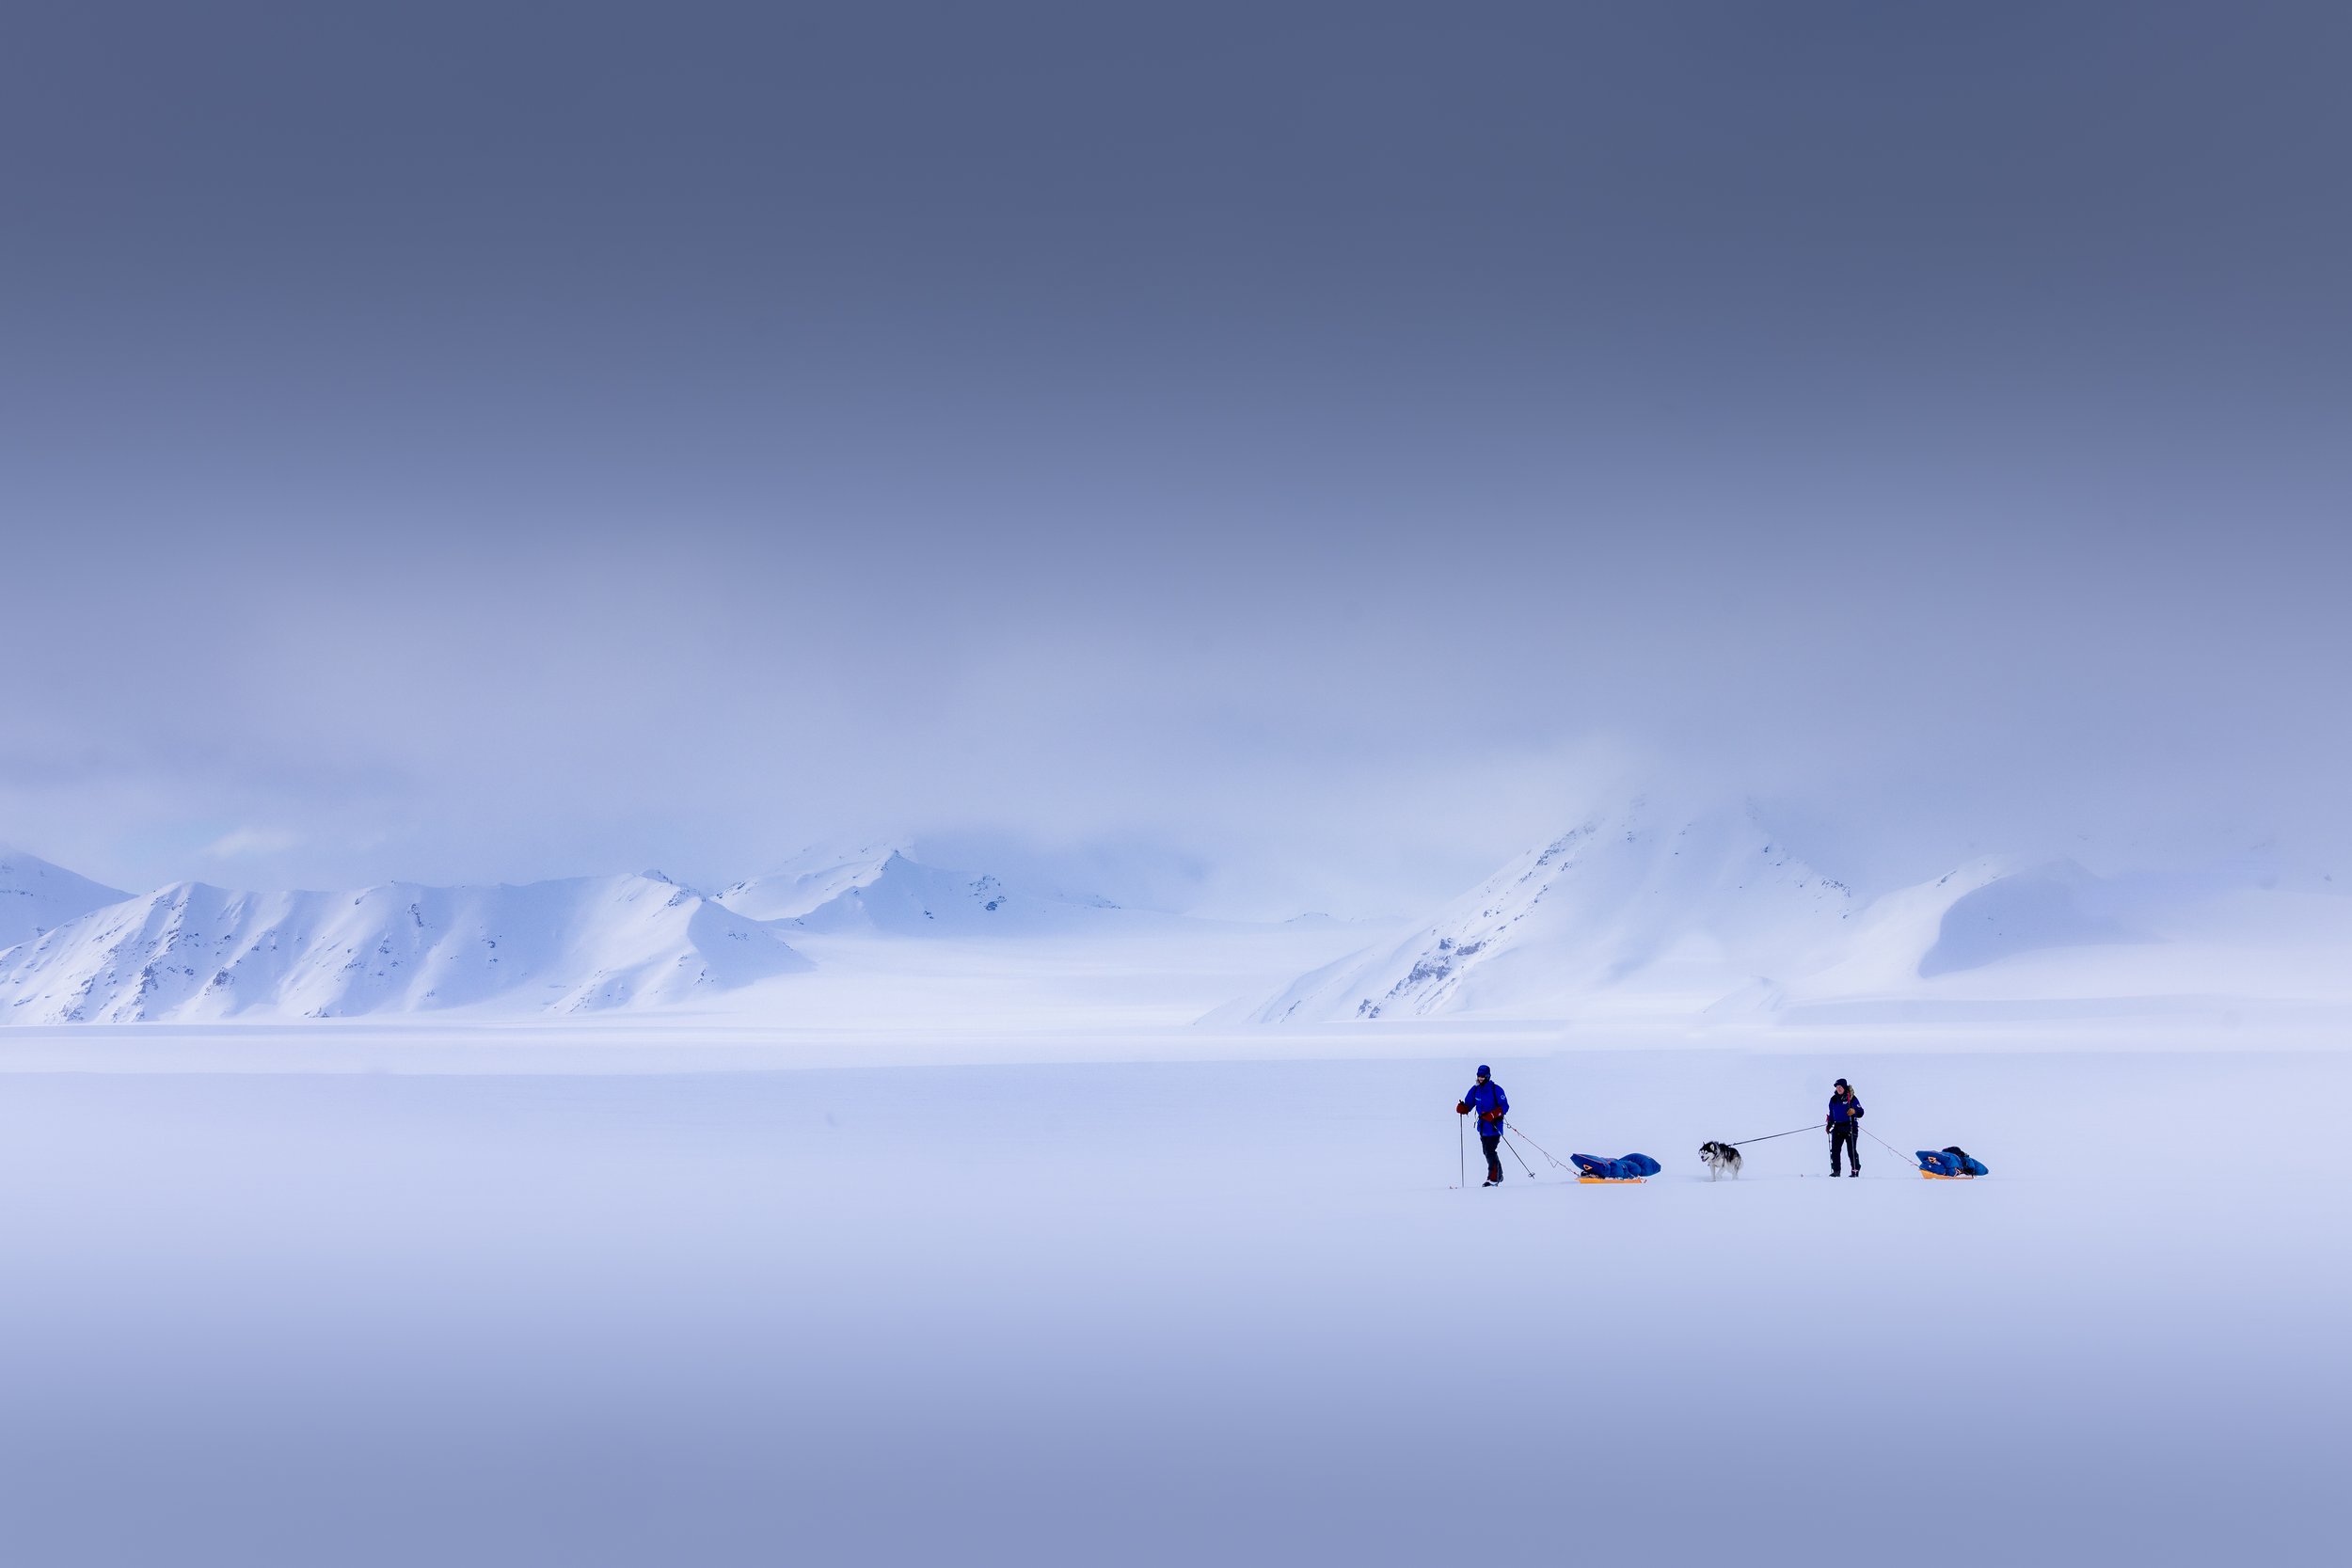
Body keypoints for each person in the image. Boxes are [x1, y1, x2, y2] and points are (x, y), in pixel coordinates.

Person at [1456, 1066, 1510, 1186]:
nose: (1480, 1079)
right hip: (1482, 1127)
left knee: (1490, 1151)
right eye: (1479, 1076)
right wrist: (1463, 1108)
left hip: (1494, 1126)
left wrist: (1493, 1114)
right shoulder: (1475, 1090)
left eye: (1482, 1076)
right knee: (1486, 1151)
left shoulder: (1496, 1089)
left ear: (1488, 1076)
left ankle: (1493, 1178)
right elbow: (1469, 1104)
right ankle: (1498, 1175)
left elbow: (1505, 1106)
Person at [1826, 1078, 1865, 1177]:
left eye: (1840, 1087)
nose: (1838, 1089)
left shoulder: (1852, 1098)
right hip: (1838, 1127)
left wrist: (1854, 1111)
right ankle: (1836, 1171)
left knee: (1851, 1150)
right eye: (1837, 1087)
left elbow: (1861, 1112)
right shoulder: (1833, 1099)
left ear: (1844, 1087)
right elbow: (1832, 1114)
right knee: (1835, 1150)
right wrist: (1829, 1124)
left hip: (1850, 1126)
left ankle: (1855, 1170)